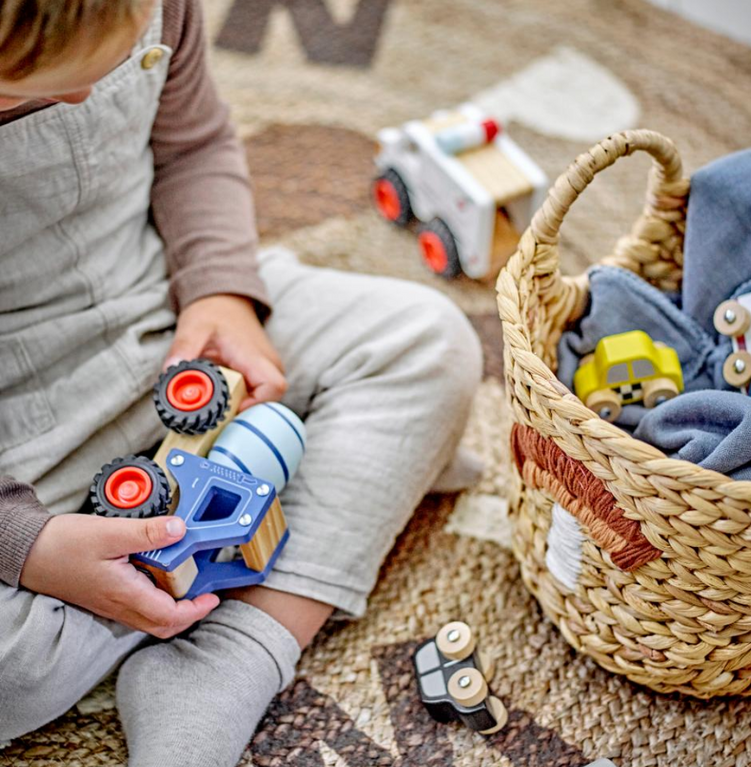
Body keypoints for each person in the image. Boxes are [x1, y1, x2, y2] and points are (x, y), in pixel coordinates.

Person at [0, 0, 482, 765]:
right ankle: (331, 491)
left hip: (160, 308)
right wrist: (28, 544)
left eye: (108, 68)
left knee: (426, 341)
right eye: (15, 89)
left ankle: (228, 653)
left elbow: (193, 148)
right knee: (11, 669)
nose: (80, 98)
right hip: (21, 441)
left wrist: (220, 290)